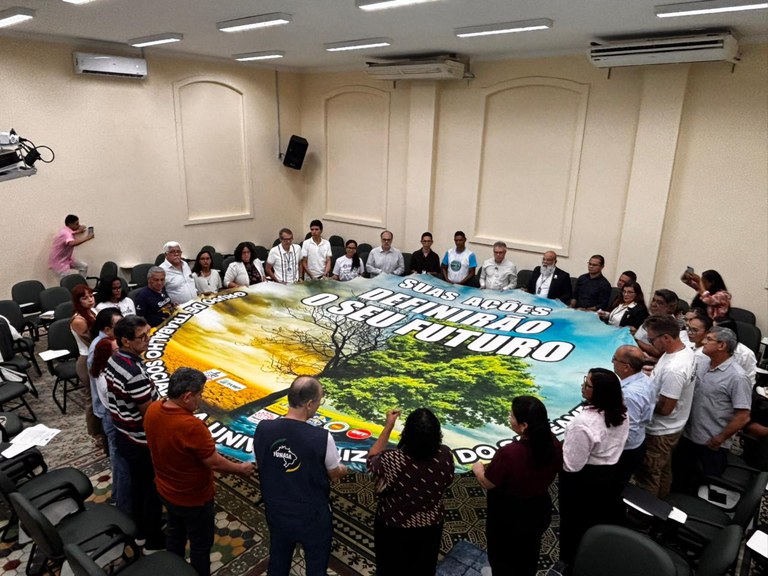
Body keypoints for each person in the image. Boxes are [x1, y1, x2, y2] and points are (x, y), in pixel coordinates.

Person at [144, 368, 254, 576]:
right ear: (187, 396)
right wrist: (241, 468)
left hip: (165, 489)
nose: (201, 399)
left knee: (175, 534)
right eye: (199, 394)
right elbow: (214, 463)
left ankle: (173, 569)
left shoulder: (153, 409)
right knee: (200, 545)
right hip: (193, 498)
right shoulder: (192, 426)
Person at [253, 376, 349, 576]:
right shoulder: (322, 437)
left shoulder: (263, 428)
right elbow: (333, 474)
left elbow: (260, 460)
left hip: (276, 510)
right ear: (309, 404)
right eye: (319, 401)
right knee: (316, 564)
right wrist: (343, 468)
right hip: (312, 516)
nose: (318, 406)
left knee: (278, 559)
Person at [472, 396, 562, 576]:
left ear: (524, 426)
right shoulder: (553, 443)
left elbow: (487, 483)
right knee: (528, 553)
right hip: (538, 509)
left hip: (509, 515)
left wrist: (478, 469)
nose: (509, 418)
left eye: (512, 416)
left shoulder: (510, 453)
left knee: (502, 556)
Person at [103, 315, 165, 552]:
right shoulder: (134, 372)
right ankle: (153, 541)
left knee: (139, 487)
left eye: (148, 333)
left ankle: (140, 530)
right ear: (126, 341)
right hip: (139, 439)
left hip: (123, 432)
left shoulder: (115, 359)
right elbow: (149, 412)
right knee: (149, 491)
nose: (148, 340)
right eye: (142, 337)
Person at [368, 408, 454, 576]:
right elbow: (447, 482)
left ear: (407, 434)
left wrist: (389, 425)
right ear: (437, 433)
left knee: (389, 568)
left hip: (393, 523)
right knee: (423, 568)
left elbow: (372, 459)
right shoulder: (445, 454)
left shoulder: (391, 459)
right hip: (431, 524)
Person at [559, 368, 629, 566]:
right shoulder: (621, 411)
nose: (583, 386)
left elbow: (572, 466)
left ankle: (571, 563)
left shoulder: (583, 424)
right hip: (610, 474)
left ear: (599, 393)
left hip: (584, 482)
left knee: (574, 526)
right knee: (597, 519)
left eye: (588, 385)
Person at [672, 327, 751, 494]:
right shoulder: (701, 363)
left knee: (702, 489)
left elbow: (743, 417)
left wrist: (719, 439)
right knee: (678, 480)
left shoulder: (737, 377)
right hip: (688, 435)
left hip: (710, 444)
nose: (703, 342)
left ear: (721, 345)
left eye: (709, 339)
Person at [634, 314, 696, 499]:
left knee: (649, 475)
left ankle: (642, 521)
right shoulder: (681, 351)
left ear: (667, 338)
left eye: (652, 339)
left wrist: (640, 399)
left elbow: (665, 408)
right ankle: (661, 505)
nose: (650, 344)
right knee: (663, 470)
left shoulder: (674, 369)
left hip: (661, 431)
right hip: (673, 427)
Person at [88, 308, 131, 513]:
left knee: (121, 462)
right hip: (113, 418)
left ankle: (119, 499)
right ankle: (122, 505)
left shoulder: (104, 363)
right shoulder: (107, 375)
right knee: (121, 464)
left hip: (111, 416)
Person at [611, 345, 656, 490]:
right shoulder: (644, 379)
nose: (612, 361)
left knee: (615, 486)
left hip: (626, 450)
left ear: (626, 367)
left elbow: (629, 428)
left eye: (615, 359)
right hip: (639, 440)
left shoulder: (628, 394)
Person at [70, 284, 103, 441]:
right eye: (85, 298)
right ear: (78, 301)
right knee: (92, 398)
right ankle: (95, 433)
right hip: (86, 360)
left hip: (99, 355)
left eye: (91, 295)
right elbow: (92, 343)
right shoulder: (79, 320)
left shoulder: (94, 312)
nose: (90, 300)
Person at [634, 289, 679, 359]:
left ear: (670, 308)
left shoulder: (668, 325)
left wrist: (635, 340)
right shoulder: (655, 316)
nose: (653, 304)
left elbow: (657, 352)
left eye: (659, 303)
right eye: (653, 300)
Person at [49, 214, 93, 279]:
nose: (79, 225)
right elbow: (71, 243)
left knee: (84, 266)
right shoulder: (66, 233)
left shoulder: (65, 230)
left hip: (67, 259)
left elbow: (71, 233)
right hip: (59, 263)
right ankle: (70, 288)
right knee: (66, 281)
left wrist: (78, 231)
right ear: (70, 224)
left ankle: (81, 284)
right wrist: (87, 238)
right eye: (76, 224)